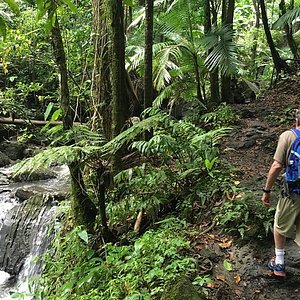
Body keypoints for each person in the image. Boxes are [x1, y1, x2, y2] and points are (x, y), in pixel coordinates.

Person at [262, 109, 300, 277]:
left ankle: (279, 264)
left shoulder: (288, 136)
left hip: (293, 194)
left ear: (296, 119)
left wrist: (266, 190)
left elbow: (277, 166)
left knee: (279, 226)